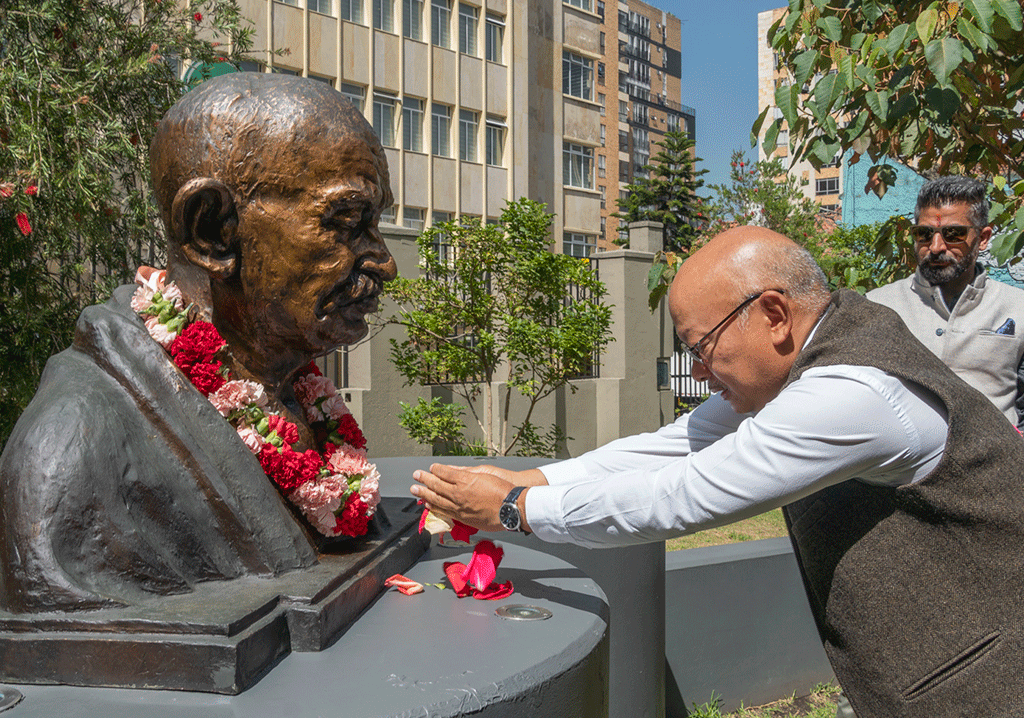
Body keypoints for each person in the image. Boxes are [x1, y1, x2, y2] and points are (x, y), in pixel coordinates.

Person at [411, 225, 1024, 718]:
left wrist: (517, 509)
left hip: (985, 679)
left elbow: (687, 494)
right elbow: (676, 445)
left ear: (775, 314)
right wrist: (540, 480)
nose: (698, 371)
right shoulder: (813, 361)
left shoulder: (852, 394)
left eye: (700, 347)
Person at [0, 73, 397, 613]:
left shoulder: (291, 394)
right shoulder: (73, 448)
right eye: (347, 221)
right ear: (212, 231)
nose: (384, 262)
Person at [868, 175, 1024, 430]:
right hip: (906, 469)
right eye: (924, 234)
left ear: (983, 238)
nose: (936, 246)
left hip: (996, 466)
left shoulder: (1018, 307)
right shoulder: (877, 307)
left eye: (953, 234)